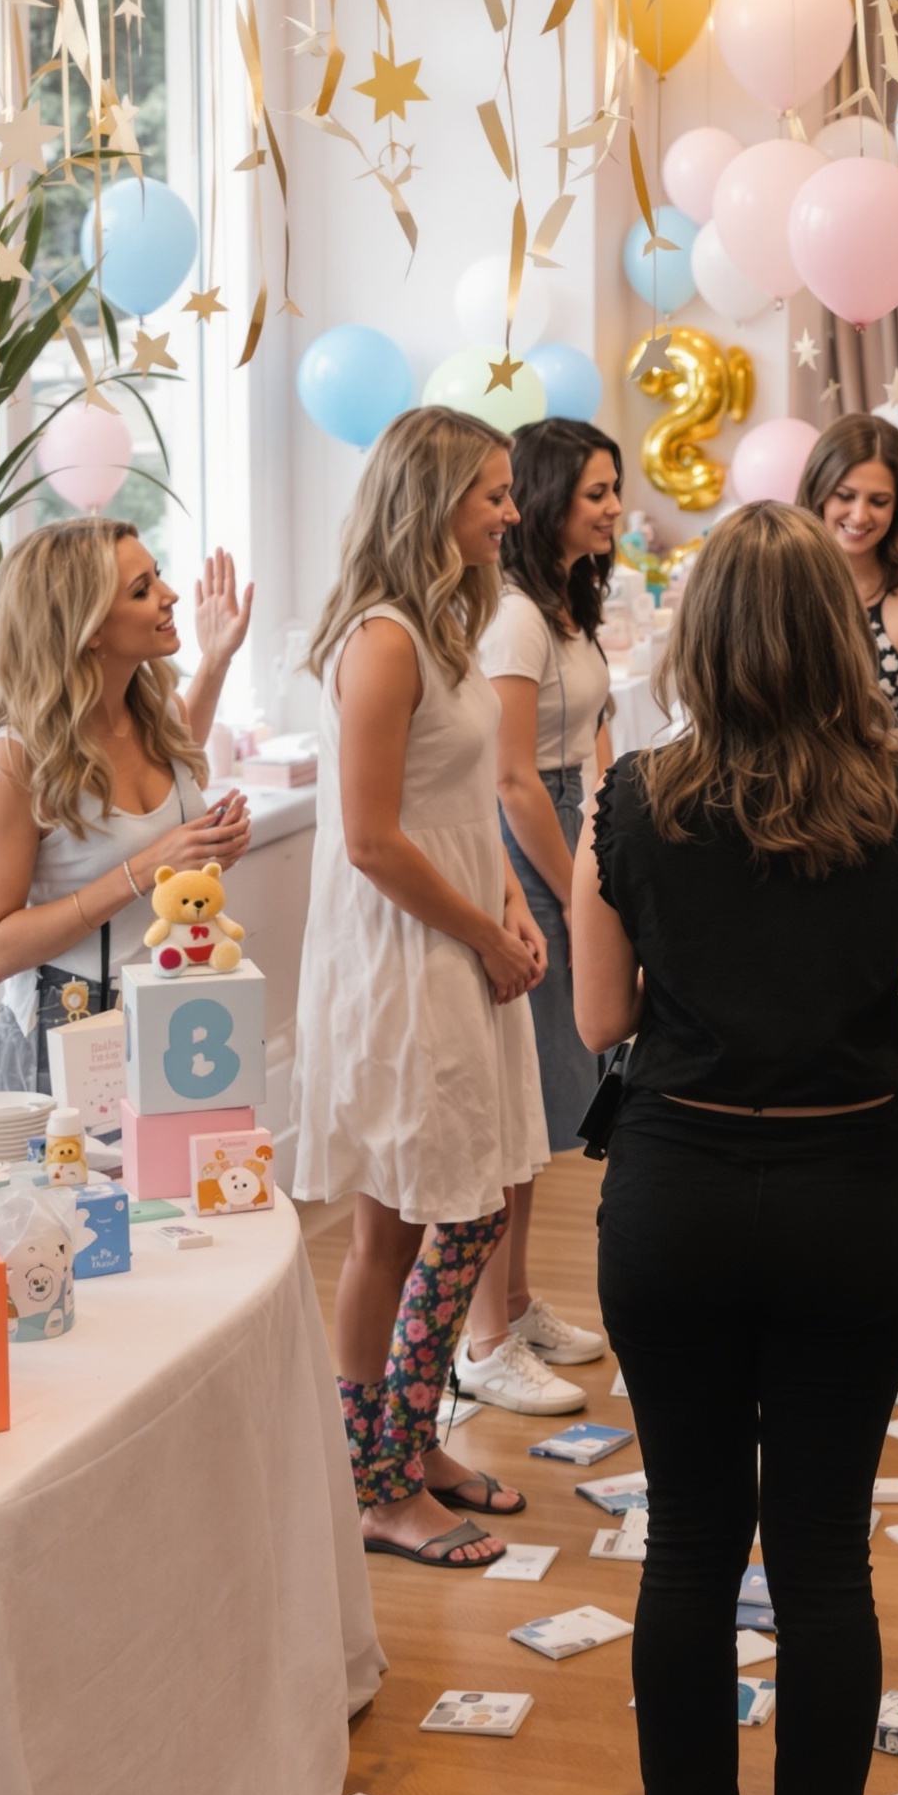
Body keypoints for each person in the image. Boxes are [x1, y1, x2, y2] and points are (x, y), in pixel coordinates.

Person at [574, 503, 898, 1795]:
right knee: (819, 1555)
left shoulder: (630, 798)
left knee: (687, 1543)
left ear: (698, 641)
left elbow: (601, 1024)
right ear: (836, 636)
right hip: (848, 1196)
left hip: (673, 1190)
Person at [293, 407, 550, 1569]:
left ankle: (412, 1433)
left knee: (474, 1194)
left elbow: (465, 807)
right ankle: (374, 1482)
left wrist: (509, 904)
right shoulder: (385, 638)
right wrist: (483, 936)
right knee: (401, 1224)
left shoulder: (449, 624)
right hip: (402, 954)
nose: (510, 508)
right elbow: (370, 838)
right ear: (430, 499)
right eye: (491, 491)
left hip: (457, 931)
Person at [457, 418, 620, 1415]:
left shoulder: (566, 602)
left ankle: (513, 1304)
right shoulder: (515, 617)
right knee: (517, 1100)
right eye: (596, 491)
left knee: (545, 1099)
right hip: (532, 847)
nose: (610, 507)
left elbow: (590, 740)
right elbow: (513, 779)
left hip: (572, 827)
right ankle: (485, 1333)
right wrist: (575, 896)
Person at [0, 521, 253, 1087]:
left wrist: (201, 848)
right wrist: (143, 870)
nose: (170, 596)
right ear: (90, 627)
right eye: (142, 589)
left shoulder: (157, 712)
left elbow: (163, 792)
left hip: (172, 1020)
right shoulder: (15, 758)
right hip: (64, 1031)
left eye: (158, 578)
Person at [796, 414, 898, 770]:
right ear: (818, 491)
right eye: (845, 495)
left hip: (885, 804)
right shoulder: (784, 579)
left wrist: (892, 816)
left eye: (879, 501)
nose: (859, 515)